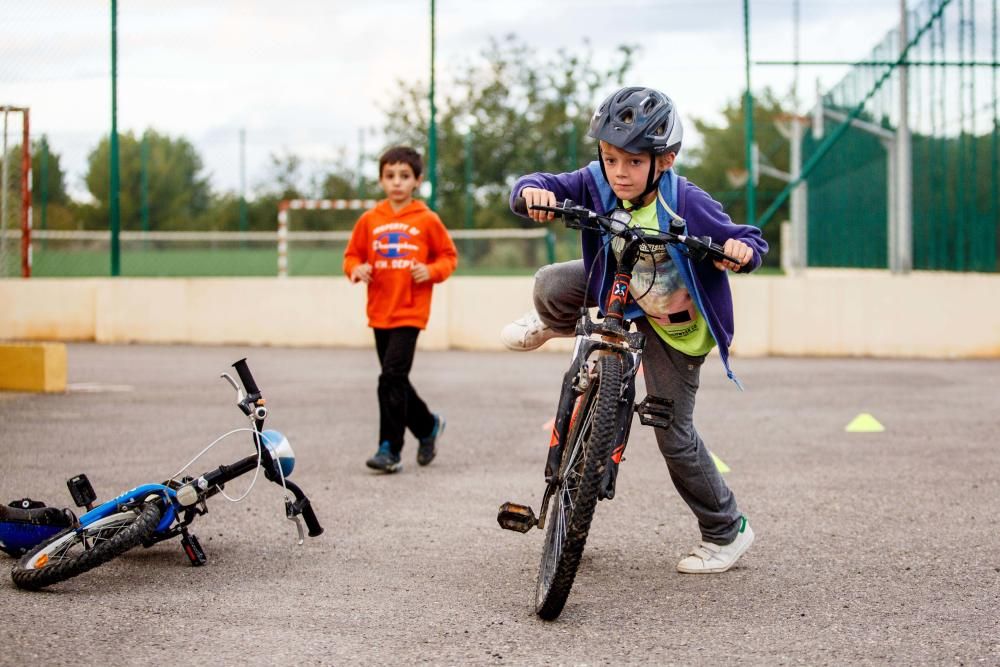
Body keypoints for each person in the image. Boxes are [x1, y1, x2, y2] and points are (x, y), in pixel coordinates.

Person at [502, 86, 768, 573]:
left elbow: (746, 237)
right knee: (551, 283)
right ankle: (553, 325)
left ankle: (727, 531)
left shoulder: (685, 201)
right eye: (610, 159)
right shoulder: (594, 183)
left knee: (673, 432)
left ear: (663, 160)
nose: (619, 173)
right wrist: (531, 193)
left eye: (632, 162)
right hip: (617, 292)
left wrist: (744, 252)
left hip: (674, 328)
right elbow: (536, 184)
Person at [344, 146, 457, 474]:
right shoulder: (369, 220)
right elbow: (351, 256)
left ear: (417, 181)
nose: (397, 182)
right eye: (390, 176)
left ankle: (389, 449)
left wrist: (430, 271)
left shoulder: (426, 220)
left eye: (404, 176)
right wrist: (356, 269)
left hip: (410, 311)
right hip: (380, 311)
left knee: (391, 377)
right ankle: (427, 427)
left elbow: (448, 256)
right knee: (397, 382)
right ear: (381, 180)